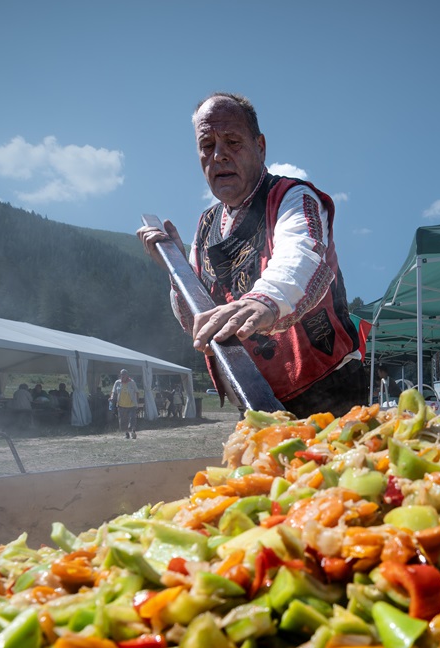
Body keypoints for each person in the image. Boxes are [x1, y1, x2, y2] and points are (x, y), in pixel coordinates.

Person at [137, 92, 364, 418]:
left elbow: (301, 256)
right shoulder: (206, 225)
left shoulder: (291, 197)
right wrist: (176, 272)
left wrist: (263, 302)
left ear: (260, 146)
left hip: (328, 391)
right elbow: (197, 320)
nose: (219, 156)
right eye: (207, 146)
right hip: (255, 395)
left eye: (232, 141)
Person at [109, 369, 141, 438]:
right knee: (123, 421)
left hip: (131, 405)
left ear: (127, 375)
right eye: (121, 374)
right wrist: (112, 398)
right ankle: (127, 434)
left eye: (124, 374)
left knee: (132, 420)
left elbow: (137, 392)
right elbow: (113, 392)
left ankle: (133, 432)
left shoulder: (132, 382)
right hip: (121, 405)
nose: (122, 376)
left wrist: (137, 403)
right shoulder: (117, 382)